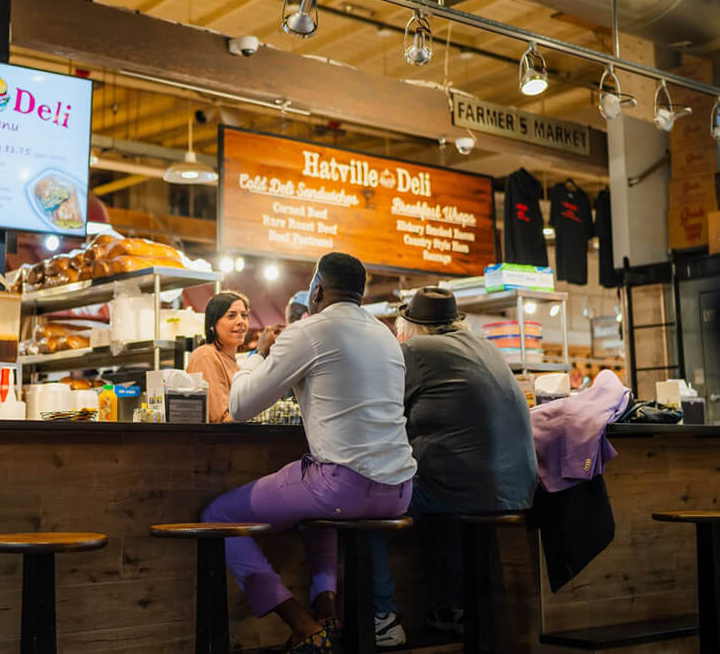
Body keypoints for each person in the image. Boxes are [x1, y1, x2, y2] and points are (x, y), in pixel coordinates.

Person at [201, 253, 417, 653]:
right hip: (401, 489)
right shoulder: (385, 333)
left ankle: (302, 624)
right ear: (359, 294)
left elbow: (243, 405)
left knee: (218, 517)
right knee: (316, 516)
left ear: (316, 291)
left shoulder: (309, 331)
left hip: (344, 488)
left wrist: (258, 354)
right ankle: (327, 613)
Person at [368, 287, 537, 646]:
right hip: (518, 488)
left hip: (467, 489)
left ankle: (380, 617)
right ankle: (458, 606)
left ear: (409, 326)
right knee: (448, 506)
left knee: (364, 506)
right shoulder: (487, 347)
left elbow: (379, 409)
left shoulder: (414, 350)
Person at [186, 291, 250, 423]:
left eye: (244, 315)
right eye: (231, 316)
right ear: (213, 323)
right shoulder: (206, 356)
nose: (241, 321)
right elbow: (221, 419)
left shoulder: (235, 365)